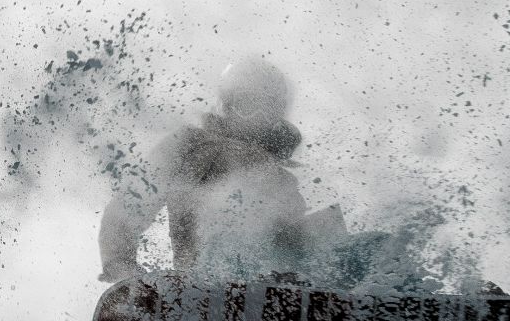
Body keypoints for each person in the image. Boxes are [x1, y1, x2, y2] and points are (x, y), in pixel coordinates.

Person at [98, 57, 342, 285]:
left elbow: (298, 244)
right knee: (225, 243)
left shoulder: (279, 176)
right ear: (227, 104)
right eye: (248, 105)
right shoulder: (188, 145)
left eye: (267, 108)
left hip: (272, 281)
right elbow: (127, 208)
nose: (257, 118)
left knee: (362, 244)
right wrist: (124, 271)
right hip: (206, 279)